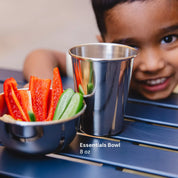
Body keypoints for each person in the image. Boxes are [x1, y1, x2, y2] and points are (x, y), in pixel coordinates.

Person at [23, 0, 178, 100]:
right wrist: (44, 90)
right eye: (130, 47)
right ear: (105, 49)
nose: (152, 65)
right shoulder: (105, 68)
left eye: (168, 39)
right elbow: (41, 56)